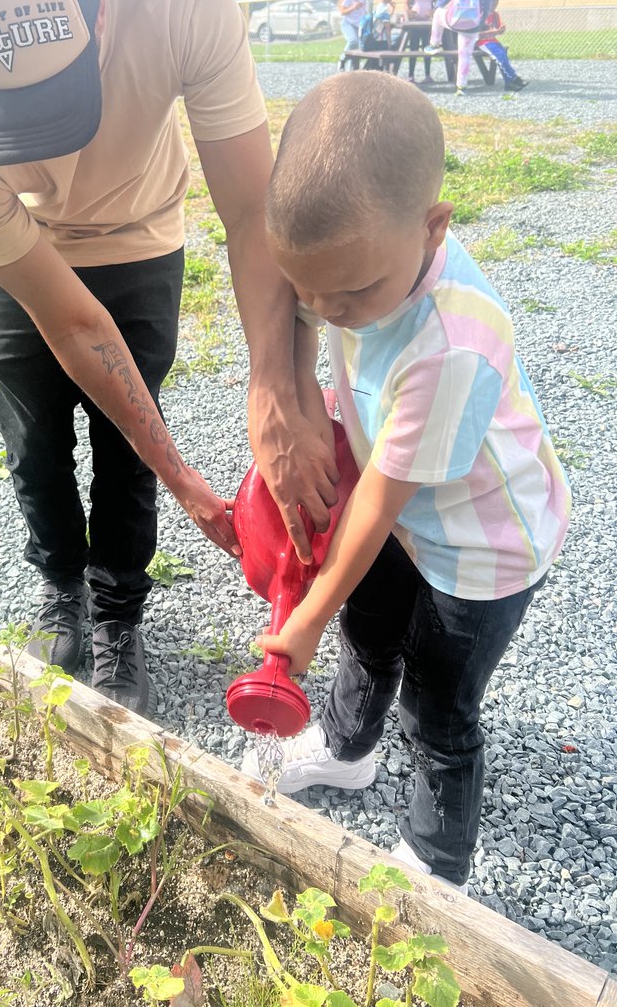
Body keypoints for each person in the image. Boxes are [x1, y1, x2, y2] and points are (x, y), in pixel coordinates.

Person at [0, 0, 339, 717]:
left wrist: (277, 387)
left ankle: (118, 614)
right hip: (21, 247)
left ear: (98, 13)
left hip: (141, 232)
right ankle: (60, 588)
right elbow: (70, 321)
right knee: (33, 442)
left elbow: (251, 210)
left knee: (125, 448)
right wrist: (192, 481)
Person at [241, 72, 571, 891]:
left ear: (432, 229)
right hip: (407, 517)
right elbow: (315, 309)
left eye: (351, 293)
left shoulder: (450, 345)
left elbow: (383, 496)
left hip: (482, 546)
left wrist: (305, 614)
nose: (329, 308)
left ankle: (436, 864)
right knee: (370, 630)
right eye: (308, 288)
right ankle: (349, 751)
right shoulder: (360, 261)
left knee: (439, 705)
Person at [424, 0, 492, 95]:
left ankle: (434, 44)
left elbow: (443, 0)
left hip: (454, 21)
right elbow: (487, 7)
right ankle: (461, 87)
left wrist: (435, 6)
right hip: (472, 25)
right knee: (465, 54)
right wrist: (479, 23)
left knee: (438, 14)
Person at [477, 0, 528, 92]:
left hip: (492, 41)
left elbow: (500, 28)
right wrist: (491, 31)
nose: (494, 6)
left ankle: (511, 81)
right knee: (500, 56)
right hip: (482, 42)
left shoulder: (495, 14)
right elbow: (474, 34)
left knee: (503, 55)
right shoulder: (480, 14)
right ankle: (512, 79)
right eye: (492, 4)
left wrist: (501, 29)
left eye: (496, 4)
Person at [404, 0, 438, 84]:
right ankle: (411, 75)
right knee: (413, 48)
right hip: (415, 24)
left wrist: (432, 12)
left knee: (427, 48)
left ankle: (427, 74)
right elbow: (406, 3)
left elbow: (437, 4)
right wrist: (409, 12)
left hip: (427, 24)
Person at [336, 0, 370, 69]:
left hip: (359, 25)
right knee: (353, 41)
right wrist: (354, 7)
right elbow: (343, 11)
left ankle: (352, 70)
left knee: (357, 49)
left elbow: (365, 11)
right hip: (348, 23)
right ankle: (342, 59)